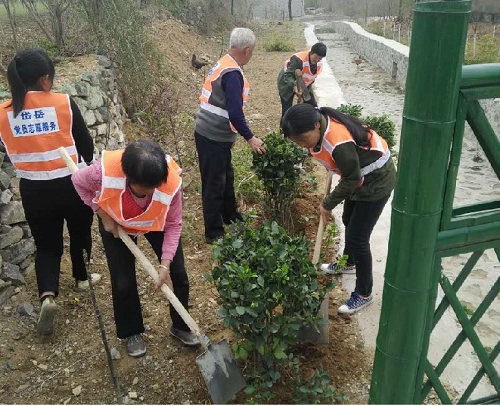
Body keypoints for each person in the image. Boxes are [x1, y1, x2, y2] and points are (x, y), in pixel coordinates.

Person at [0, 49, 98, 336]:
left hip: (33, 189)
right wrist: (90, 167)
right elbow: (85, 144)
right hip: (72, 183)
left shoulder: (5, 113)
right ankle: (82, 278)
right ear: (45, 79)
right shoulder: (63, 103)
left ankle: (47, 295)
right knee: (80, 231)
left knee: (47, 245)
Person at [72, 140, 199, 357]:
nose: (149, 193)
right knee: (123, 282)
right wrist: (101, 214)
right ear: (128, 179)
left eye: (153, 188)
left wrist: (165, 263)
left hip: (155, 221)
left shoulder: (171, 183)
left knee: (178, 274)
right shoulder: (102, 173)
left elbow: (174, 224)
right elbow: (77, 181)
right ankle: (132, 331)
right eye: (143, 190)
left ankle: (181, 325)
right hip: (116, 222)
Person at [282, 104, 396, 315]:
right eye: (295, 142)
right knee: (347, 218)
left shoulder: (338, 141)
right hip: (359, 177)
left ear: (316, 126)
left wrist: (327, 204)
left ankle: (363, 294)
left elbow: (352, 178)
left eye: (302, 139)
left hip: (376, 181)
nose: (301, 145)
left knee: (358, 239)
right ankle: (348, 262)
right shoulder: (321, 123)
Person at [194, 27, 267, 244]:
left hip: (217, 134)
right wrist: (251, 138)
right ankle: (213, 232)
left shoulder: (226, 61)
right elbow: (235, 113)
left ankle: (230, 215)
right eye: (252, 51)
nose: (252, 55)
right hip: (212, 134)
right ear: (246, 49)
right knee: (214, 183)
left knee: (227, 176)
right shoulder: (232, 74)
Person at [277, 42, 327, 121]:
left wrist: (305, 94)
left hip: (304, 83)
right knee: (287, 110)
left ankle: (312, 124)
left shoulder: (319, 63)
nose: (317, 60)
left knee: (312, 105)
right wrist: (294, 87)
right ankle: (283, 130)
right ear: (312, 52)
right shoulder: (298, 59)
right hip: (286, 82)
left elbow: (311, 78)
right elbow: (288, 75)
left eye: (320, 58)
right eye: (316, 57)